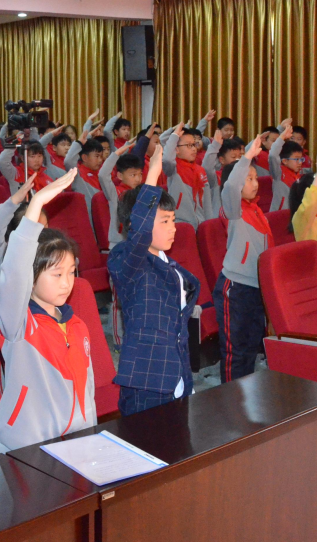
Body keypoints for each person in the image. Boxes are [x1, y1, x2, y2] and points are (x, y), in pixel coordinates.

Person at [0, 169, 96, 453]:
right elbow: (14, 275)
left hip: (73, 444)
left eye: (71, 272)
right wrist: (35, 205)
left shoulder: (78, 326)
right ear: (31, 276)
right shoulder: (19, 324)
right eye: (56, 274)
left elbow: (87, 393)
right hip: (27, 448)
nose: (67, 282)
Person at [110, 145, 198, 415]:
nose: (173, 228)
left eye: (173, 220)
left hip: (177, 374)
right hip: (146, 379)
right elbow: (139, 231)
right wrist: (152, 176)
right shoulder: (126, 259)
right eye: (164, 221)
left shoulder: (169, 263)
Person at [211, 137, 271, 382]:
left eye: (256, 178)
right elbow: (231, 187)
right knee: (234, 352)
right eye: (249, 179)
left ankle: (243, 399)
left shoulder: (256, 210)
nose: (255, 184)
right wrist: (246, 158)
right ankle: (229, 403)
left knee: (249, 349)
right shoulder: (233, 210)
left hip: (257, 288)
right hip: (235, 288)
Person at [163, 123, 216, 227]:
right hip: (181, 223)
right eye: (189, 145)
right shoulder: (174, 168)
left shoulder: (200, 170)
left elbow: (207, 202)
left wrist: (209, 224)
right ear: (176, 149)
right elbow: (167, 159)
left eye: (194, 145)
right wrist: (174, 136)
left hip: (201, 223)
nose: (194, 149)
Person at [99, 145, 143, 248]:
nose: (138, 179)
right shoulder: (115, 192)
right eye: (133, 175)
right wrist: (116, 154)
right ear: (120, 176)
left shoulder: (140, 192)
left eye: (140, 174)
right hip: (118, 243)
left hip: (137, 241)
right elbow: (102, 175)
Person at [267, 118, 305, 211]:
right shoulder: (278, 173)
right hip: (279, 216)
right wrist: (282, 136)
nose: (300, 162)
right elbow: (273, 155)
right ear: (284, 161)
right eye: (296, 159)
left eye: (301, 159)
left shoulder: (300, 176)